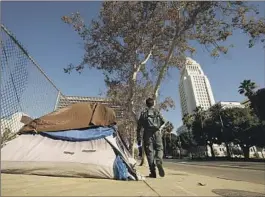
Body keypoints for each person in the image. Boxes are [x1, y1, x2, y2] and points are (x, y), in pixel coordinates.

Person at [136, 98, 166, 178]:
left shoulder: (143, 113)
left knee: (150, 153)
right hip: (157, 132)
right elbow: (163, 121)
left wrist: (138, 137)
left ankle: (153, 172)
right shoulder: (157, 111)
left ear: (146, 104)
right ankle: (159, 160)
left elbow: (139, 126)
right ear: (153, 104)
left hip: (147, 134)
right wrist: (158, 127)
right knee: (160, 149)